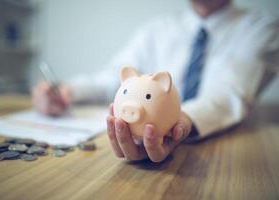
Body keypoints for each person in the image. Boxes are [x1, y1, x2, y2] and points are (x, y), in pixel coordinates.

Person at [32, 0, 279, 162]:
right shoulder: (156, 29)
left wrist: (177, 123)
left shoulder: (263, 28)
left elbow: (229, 93)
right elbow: (116, 78)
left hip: (225, 155)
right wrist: (66, 91)